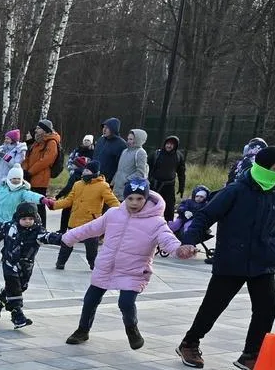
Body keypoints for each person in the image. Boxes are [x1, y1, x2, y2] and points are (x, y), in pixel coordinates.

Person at [178, 145, 275, 370]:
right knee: (214, 305)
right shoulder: (235, 191)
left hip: (263, 261)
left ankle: (250, 355)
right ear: (263, 167)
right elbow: (205, 215)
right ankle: (189, 343)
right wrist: (189, 241)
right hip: (232, 260)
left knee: (266, 308)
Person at [61, 180, 192, 348]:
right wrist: (67, 238)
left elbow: (168, 239)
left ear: (146, 198)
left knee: (125, 303)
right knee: (90, 299)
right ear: (125, 198)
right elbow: (90, 228)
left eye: (139, 199)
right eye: (130, 198)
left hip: (133, 270)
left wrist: (179, 250)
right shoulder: (113, 214)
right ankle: (82, 330)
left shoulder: (156, 222)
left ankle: (132, 329)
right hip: (106, 266)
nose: (134, 203)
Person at [0, 201, 55, 328]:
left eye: (31, 218)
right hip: (9, 263)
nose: (28, 221)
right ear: (18, 218)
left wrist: (65, 238)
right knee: (14, 289)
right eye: (24, 219)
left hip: (26, 265)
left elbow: (48, 237)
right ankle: (17, 316)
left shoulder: (38, 231)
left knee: (21, 287)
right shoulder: (10, 227)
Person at [45, 160, 118, 270]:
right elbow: (68, 201)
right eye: (85, 169)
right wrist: (53, 205)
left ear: (94, 172)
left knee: (91, 249)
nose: (84, 172)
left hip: (91, 223)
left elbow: (113, 202)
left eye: (87, 170)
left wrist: (121, 212)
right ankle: (60, 263)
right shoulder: (77, 184)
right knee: (66, 243)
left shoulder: (103, 186)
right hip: (74, 221)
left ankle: (94, 265)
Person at [0, 166, 44, 257]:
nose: (16, 180)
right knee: (0, 235)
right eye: (14, 178)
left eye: (18, 179)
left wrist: (42, 199)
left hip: (13, 218)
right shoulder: (1, 188)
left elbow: (32, 196)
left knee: (12, 237)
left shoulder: (23, 191)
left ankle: (5, 254)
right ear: (9, 178)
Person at [55, 134, 96, 232]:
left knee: (68, 210)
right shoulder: (77, 151)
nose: (86, 142)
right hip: (79, 194)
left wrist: (58, 196)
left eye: (88, 141)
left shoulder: (93, 153)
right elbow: (70, 161)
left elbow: (68, 187)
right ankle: (71, 230)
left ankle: (65, 230)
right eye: (85, 140)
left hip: (73, 195)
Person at [24, 119, 60, 222]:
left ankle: (42, 228)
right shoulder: (37, 142)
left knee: (39, 205)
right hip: (30, 176)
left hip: (40, 179)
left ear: (45, 130)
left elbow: (47, 160)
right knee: (30, 204)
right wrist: (25, 170)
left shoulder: (51, 142)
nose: (36, 130)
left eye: (39, 128)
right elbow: (28, 157)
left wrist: (30, 171)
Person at [149, 136, 186, 221]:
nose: (169, 146)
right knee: (151, 206)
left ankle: (168, 227)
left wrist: (181, 187)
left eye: (172, 144)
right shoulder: (156, 154)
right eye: (168, 143)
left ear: (175, 146)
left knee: (169, 209)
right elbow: (147, 168)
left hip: (169, 187)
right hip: (155, 186)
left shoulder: (178, 156)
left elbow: (181, 173)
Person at [112, 129, 150, 200]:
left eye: (131, 139)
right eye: (128, 139)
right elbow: (119, 170)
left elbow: (141, 173)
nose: (128, 141)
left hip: (127, 191)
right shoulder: (125, 151)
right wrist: (113, 182)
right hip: (116, 190)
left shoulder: (140, 153)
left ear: (138, 140)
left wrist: (126, 180)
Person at [95, 118, 126, 183]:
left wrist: (113, 179)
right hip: (94, 176)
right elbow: (95, 156)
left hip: (108, 180)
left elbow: (121, 166)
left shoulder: (121, 144)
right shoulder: (100, 140)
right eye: (104, 127)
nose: (104, 129)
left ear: (113, 129)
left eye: (107, 128)